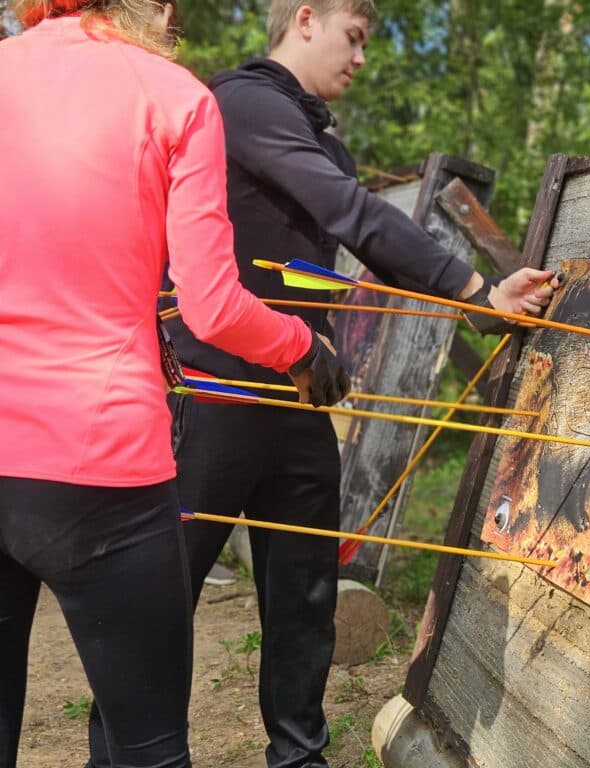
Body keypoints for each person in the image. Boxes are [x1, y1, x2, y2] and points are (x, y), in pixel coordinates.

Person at [89, 1, 559, 766]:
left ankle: (299, 756)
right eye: (355, 36)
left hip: (300, 400)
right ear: (304, 18)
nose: (362, 57)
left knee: (304, 600)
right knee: (158, 600)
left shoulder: (315, 137)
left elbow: (354, 234)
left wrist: (469, 300)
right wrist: (475, 291)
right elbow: (350, 210)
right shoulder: (241, 103)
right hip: (212, 395)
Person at [0, 1, 351, 767]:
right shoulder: (173, 94)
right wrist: (302, 348)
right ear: (151, 5)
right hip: (101, 465)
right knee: (148, 753)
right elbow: (213, 304)